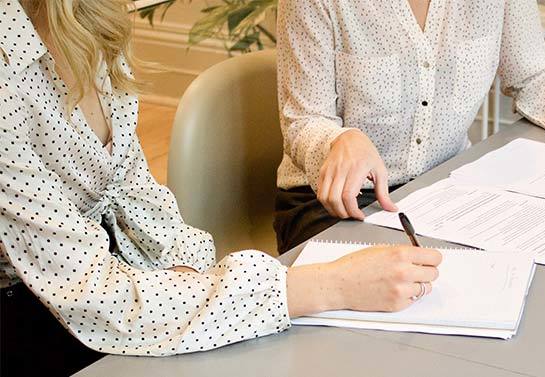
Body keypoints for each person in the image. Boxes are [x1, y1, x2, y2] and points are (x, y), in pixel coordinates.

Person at [0, 1, 442, 375]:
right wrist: (330, 287)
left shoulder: (91, 23)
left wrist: (189, 273)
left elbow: (133, 192)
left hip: (109, 278)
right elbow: (92, 294)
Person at [273, 0, 545, 253]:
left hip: (444, 193)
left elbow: (531, 76)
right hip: (333, 205)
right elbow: (304, 120)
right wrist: (339, 141)